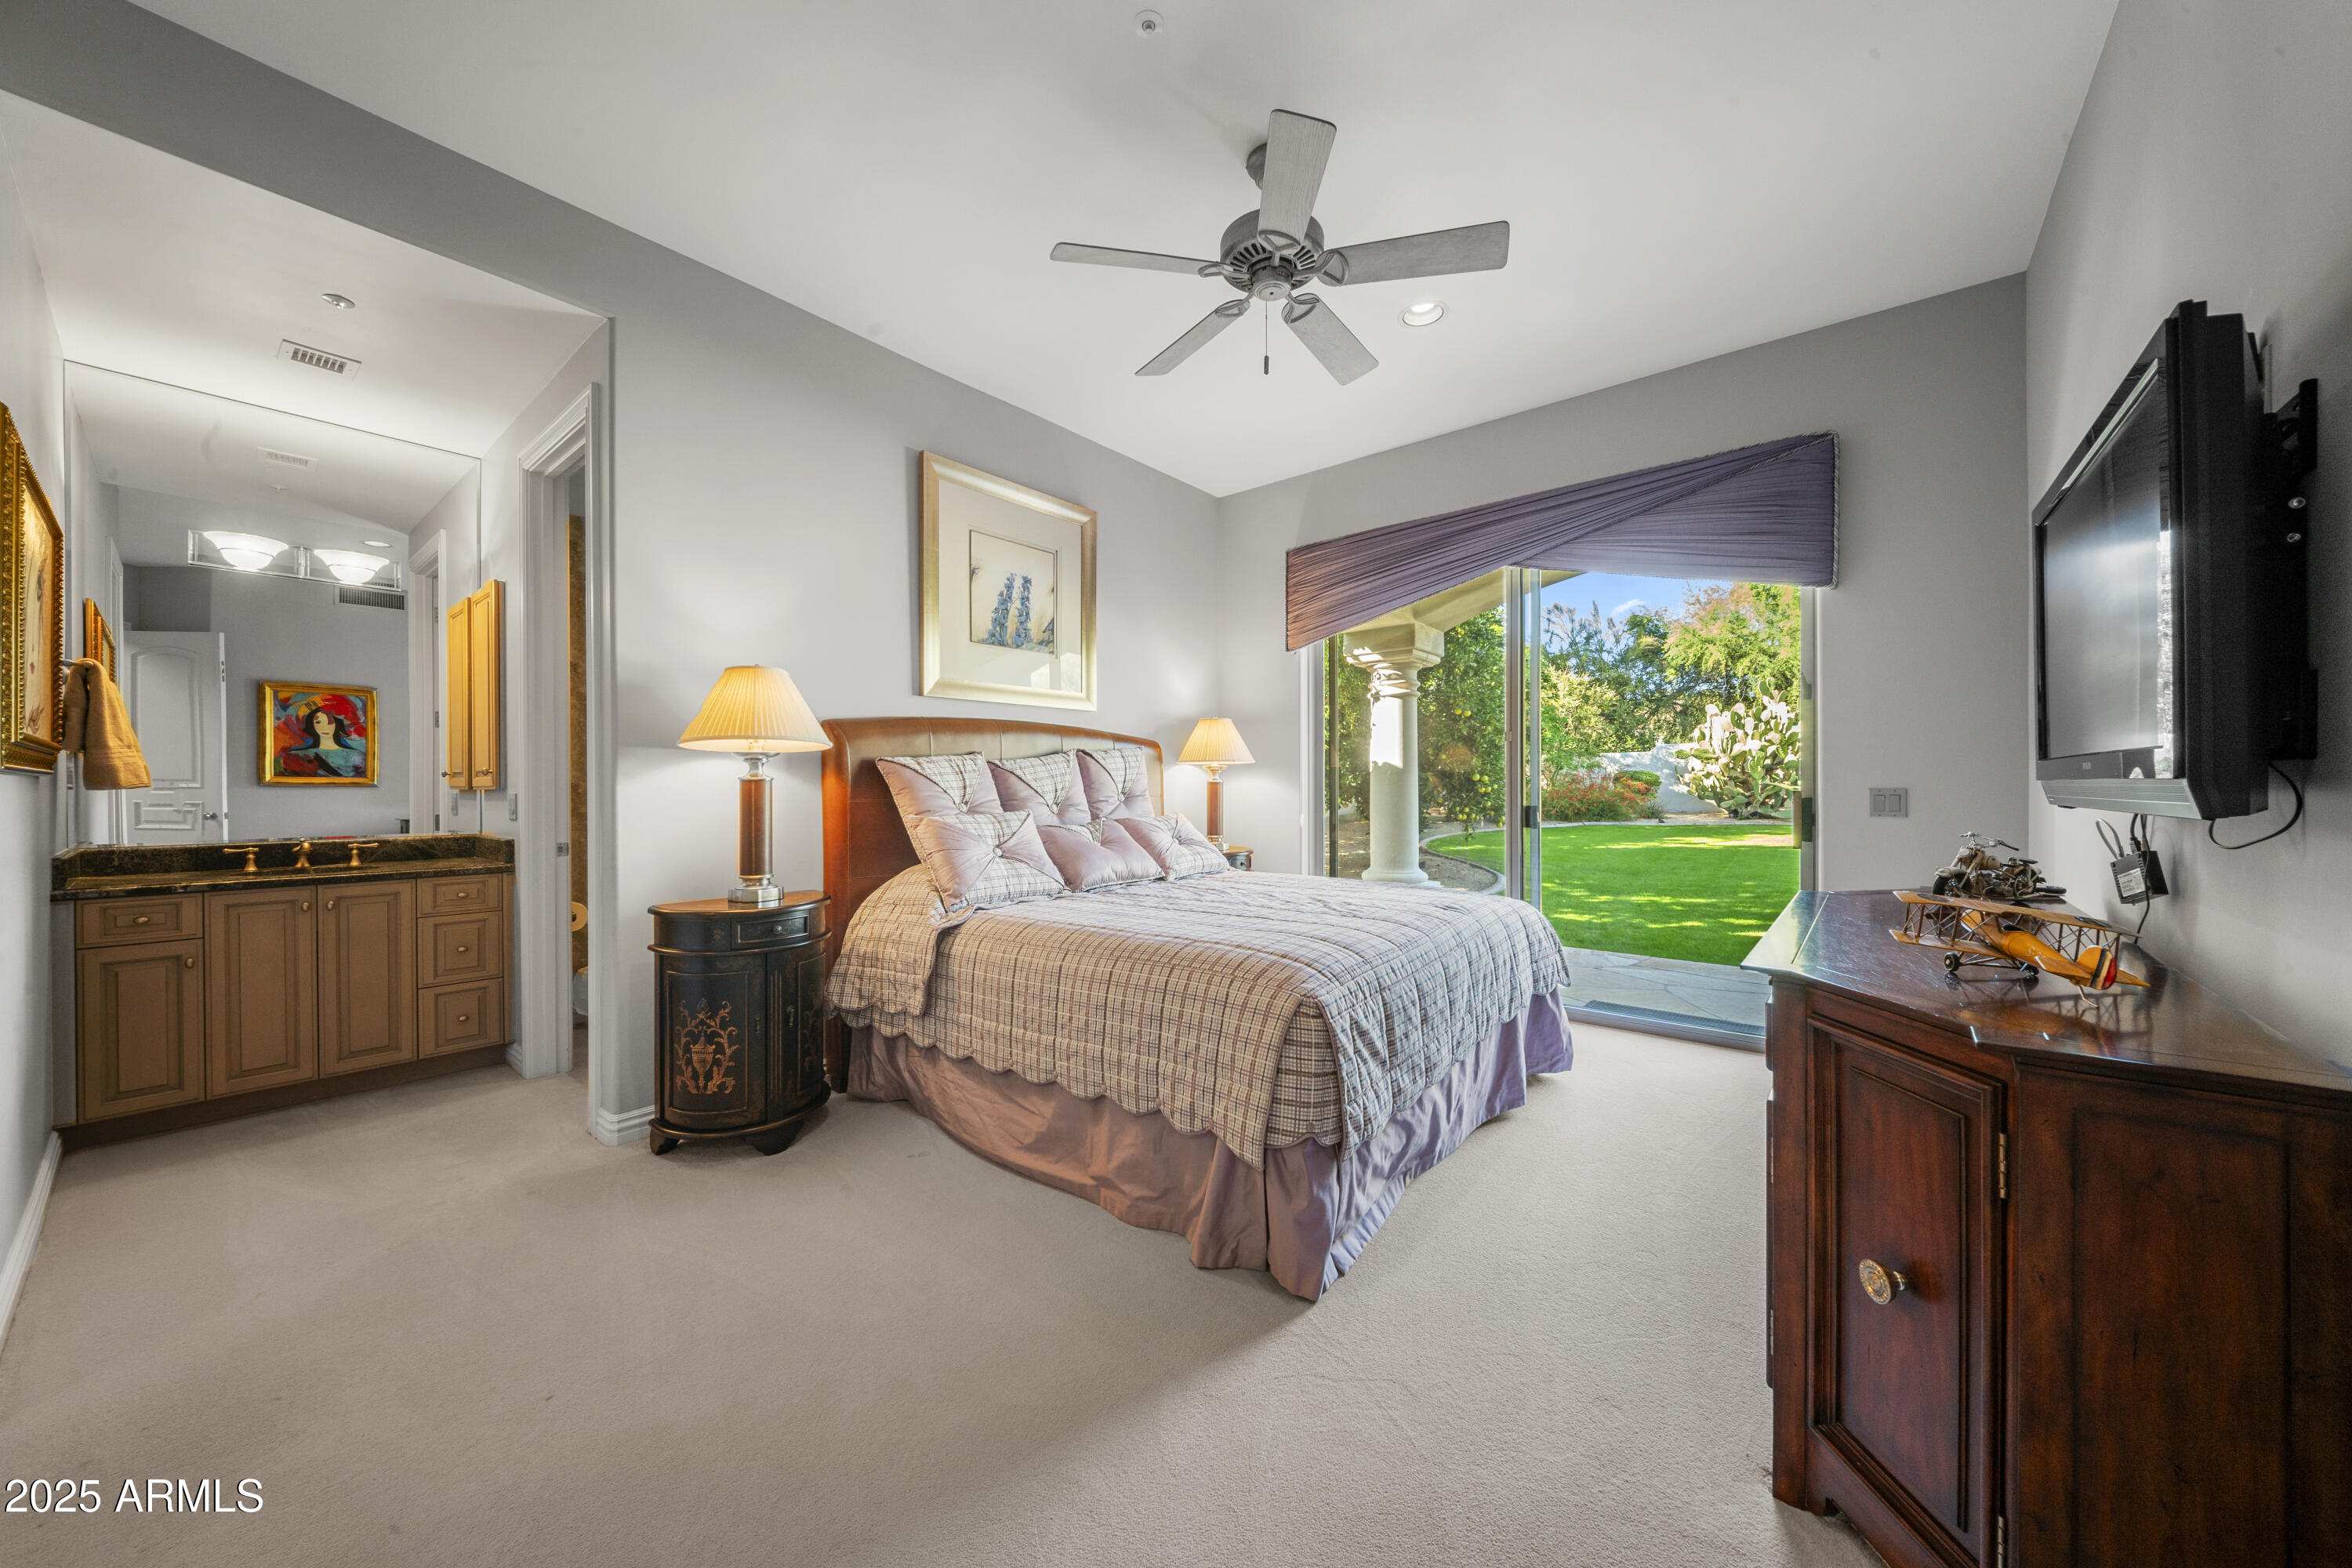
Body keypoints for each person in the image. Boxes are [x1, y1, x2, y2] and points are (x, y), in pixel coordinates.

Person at [284, 700, 365, 779]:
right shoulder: (299, 755)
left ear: (338, 724)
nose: (324, 728)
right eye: (318, 722)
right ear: (311, 724)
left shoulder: (356, 756)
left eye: (330, 722)